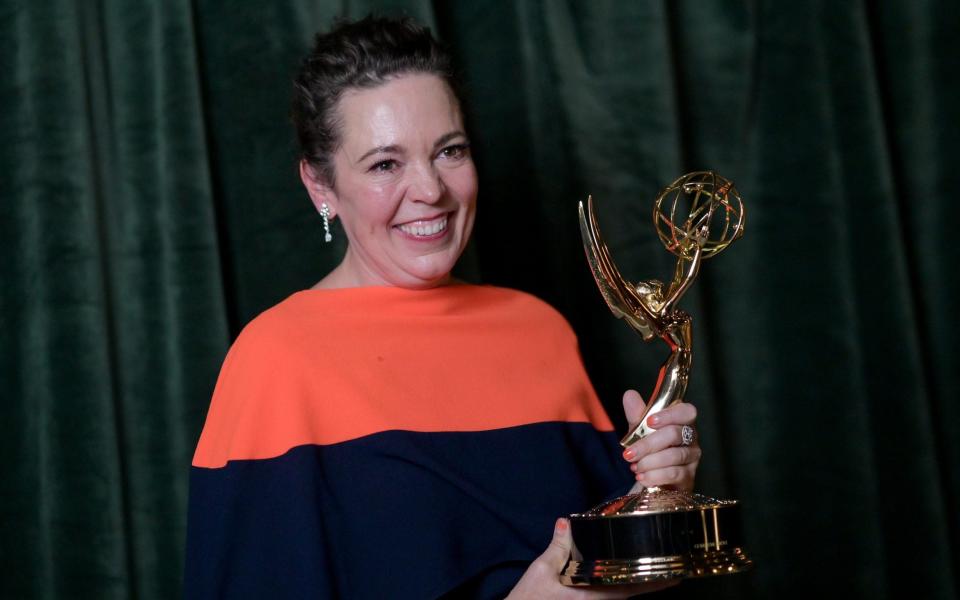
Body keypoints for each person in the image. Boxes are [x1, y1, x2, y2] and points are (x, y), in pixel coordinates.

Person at [184, 16, 700, 599]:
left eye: (449, 151)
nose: (430, 190)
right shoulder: (275, 359)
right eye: (385, 164)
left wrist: (661, 492)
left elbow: (611, 577)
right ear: (320, 187)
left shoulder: (539, 330)